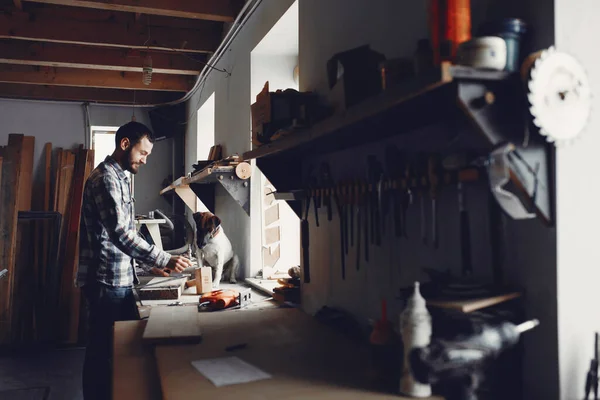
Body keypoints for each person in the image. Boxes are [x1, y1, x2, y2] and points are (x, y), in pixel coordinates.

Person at [76, 121, 192, 400]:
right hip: (107, 283)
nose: (146, 159)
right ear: (124, 144)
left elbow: (119, 236)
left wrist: (147, 265)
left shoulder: (121, 178)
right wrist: (163, 257)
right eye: (143, 152)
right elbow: (120, 234)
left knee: (121, 353)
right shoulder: (105, 179)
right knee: (103, 354)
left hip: (119, 280)